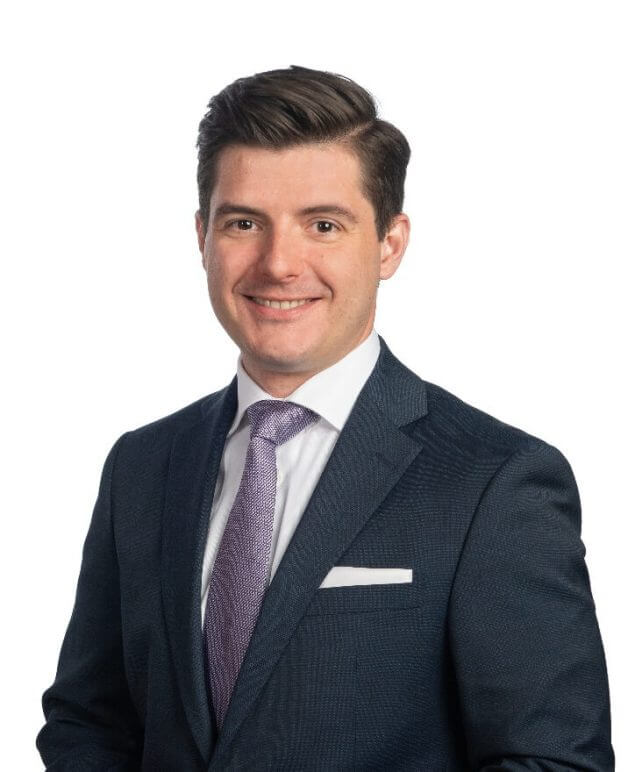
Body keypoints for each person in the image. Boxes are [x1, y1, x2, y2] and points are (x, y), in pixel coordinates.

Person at [36, 65, 615, 770]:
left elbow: (552, 761)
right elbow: (89, 722)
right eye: (244, 223)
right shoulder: (142, 466)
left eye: (323, 225)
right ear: (202, 236)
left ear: (389, 244)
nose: (279, 264)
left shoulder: (494, 482)